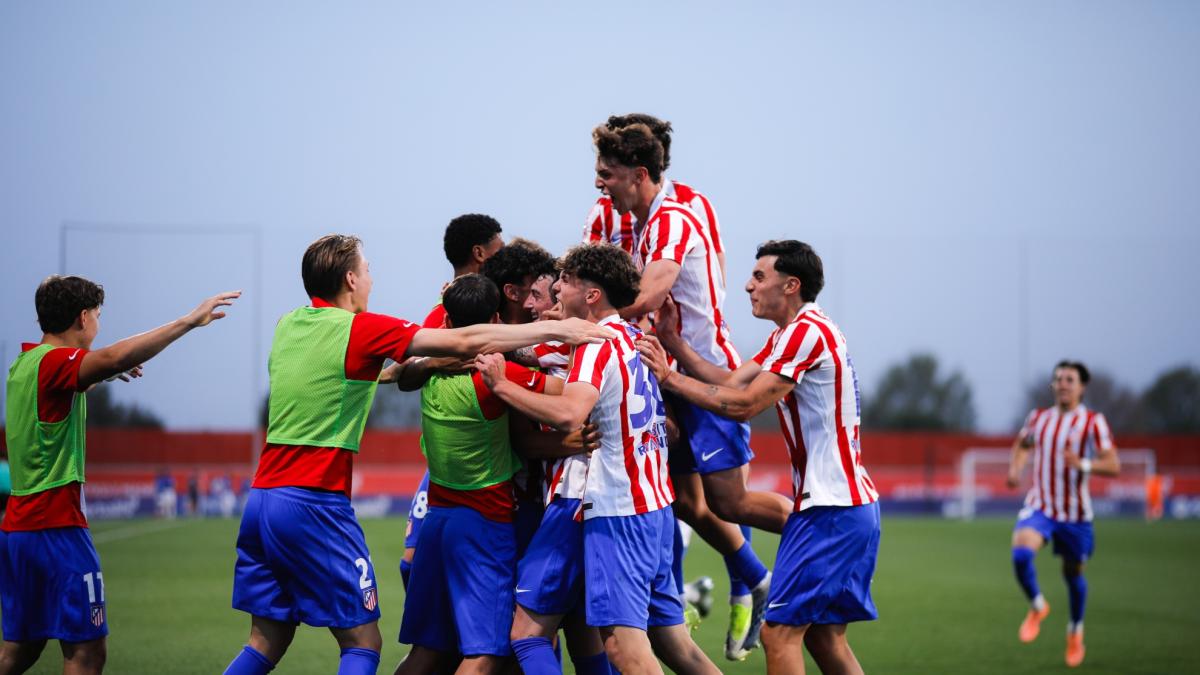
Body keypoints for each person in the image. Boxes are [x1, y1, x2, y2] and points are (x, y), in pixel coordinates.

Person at [222, 234, 613, 675]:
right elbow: (472, 347)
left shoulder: (288, 323)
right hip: (317, 502)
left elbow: (416, 367)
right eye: (367, 269)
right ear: (350, 278)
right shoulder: (362, 329)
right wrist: (558, 332)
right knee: (364, 643)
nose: (372, 278)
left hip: (262, 500)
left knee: (266, 639)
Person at [592, 120, 789, 659]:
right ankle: (741, 583)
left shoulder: (675, 216)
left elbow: (652, 292)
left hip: (702, 369)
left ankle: (797, 546)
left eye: (606, 173)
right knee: (681, 500)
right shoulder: (634, 214)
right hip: (660, 369)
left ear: (638, 172)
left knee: (729, 500)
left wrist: (588, 325)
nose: (597, 183)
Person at [637, 240, 880, 675]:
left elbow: (744, 404)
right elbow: (730, 380)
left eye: (759, 277)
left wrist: (669, 378)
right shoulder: (795, 332)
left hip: (831, 509)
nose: (748, 286)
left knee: (777, 634)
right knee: (827, 641)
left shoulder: (808, 332)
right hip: (846, 506)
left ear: (791, 285)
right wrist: (674, 343)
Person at [477, 244, 719, 675]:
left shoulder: (594, 345)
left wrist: (501, 385)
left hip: (614, 510)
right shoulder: (633, 339)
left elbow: (570, 412)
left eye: (565, 282)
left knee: (621, 650)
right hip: (654, 506)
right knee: (676, 647)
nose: (555, 290)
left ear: (590, 295)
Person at [1, 274, 240, 675]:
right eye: (97, 315)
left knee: (19, 651)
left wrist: (103, 374)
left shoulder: (25, 366)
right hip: (56, 529)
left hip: (19, 531)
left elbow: (70, 386)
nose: (98, 323)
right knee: (87, 652)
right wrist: (187, 321)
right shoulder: (57, 365)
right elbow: (112, 357)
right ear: (81, 318)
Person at [395, 273, 582, 675]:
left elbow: (403, 373)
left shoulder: (428, 372)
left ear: (445, 322)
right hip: (484, 523)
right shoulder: (496, 377)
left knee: (425, 653)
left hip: (437, 521)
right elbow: (569, 392)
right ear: (495, 319)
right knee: (484, 656)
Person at [398, 213, 505, 589]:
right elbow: (406, 375)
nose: (503, 256)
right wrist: (442, 360)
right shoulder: (439, 317)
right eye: (498, 249)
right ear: (480, 253)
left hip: (502, 472)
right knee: (413, 567)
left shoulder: (509, 305)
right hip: (445, 472)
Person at [1007, 360, 1120, 668]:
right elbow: (1023, 444)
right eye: (1058, 379)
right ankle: (1037, 606)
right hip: (1041, 506)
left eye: (1070, 379)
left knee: (1072, 576)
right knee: (1020, 555)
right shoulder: (1039, 418)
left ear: (1082, 387)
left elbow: (1113, 464)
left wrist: (1083, 464)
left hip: (1075, 515)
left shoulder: (1093, 423)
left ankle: (1075, 631)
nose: (1063, 384)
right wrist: (1016, 468)